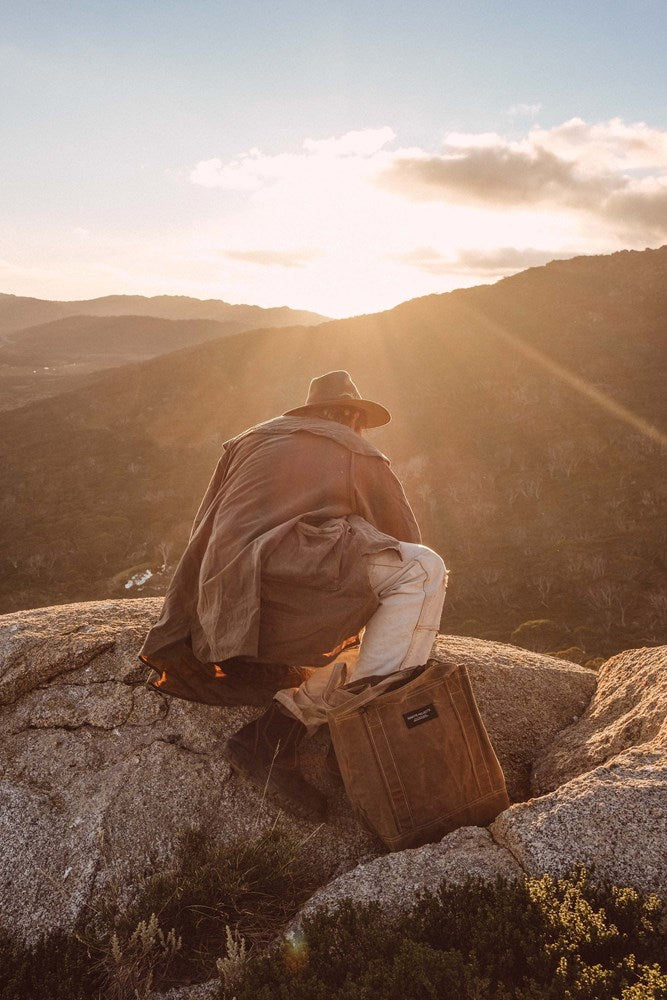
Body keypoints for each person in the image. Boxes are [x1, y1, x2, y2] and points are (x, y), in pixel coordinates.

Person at [139, 371, 448, 821]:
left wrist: (193, 609)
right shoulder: (356, 450)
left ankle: (280, 735)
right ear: (350, 417)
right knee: (422, 569)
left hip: (226, 597)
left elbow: (204, 524)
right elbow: (404, 538)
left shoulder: (249, 441)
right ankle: (332, 736)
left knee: (378, 593)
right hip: (285, 586)